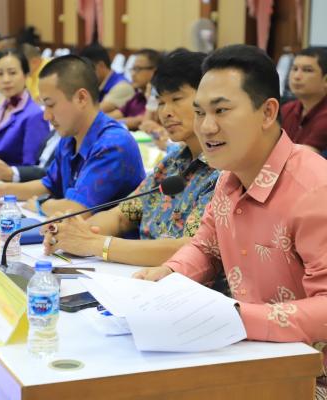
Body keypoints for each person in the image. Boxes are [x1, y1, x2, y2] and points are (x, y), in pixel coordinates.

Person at [134, 44, 327, 400]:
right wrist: (169, 273)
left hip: (311, 378)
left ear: (267, 112)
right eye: (199, 112)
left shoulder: (314, 190)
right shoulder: (229, 176)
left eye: (221, 110)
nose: (206, 127)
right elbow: (206, 245)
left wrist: (239, 317)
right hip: (252, 357)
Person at [43, 50, 219, 267]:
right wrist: (71, 233)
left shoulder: (222, 170)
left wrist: (94, 244)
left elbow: (190, 248)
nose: (166, 112)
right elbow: (122, 216)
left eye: (176, 99)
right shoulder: (171, 163)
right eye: (160, 102)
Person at [0, 55, 145, 217]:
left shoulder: (112, 144)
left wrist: (42, 205)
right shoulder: (69, 136)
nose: (46, 116)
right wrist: (2, 189)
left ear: (81, 98)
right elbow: (49, 184)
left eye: (51, 105)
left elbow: (77, 209)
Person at [0, 50, 50, 174]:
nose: (6, 80)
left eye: (12, 73)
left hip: (15, 182)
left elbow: (32, 167)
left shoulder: (35, 115)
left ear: (26, 75)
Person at [281, 46, 327, 154]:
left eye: (307, 70)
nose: (297, 76)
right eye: (294, 69)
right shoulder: (287, 109)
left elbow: (304, 157)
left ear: (325, 80)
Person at [108, 49, 161, 130]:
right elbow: (114, 115)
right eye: (132, 69)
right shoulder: (137, 96)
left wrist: (110, 123)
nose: (132, 74)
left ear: (154, 71)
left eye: (137, 69)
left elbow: (142, 122)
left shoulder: (159, 98)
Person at [79, 43, 134, 113]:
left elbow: (91, 113)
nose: (85, 75)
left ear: (101, 65)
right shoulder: (98, 84)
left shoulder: (122, 87)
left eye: (87, 69)